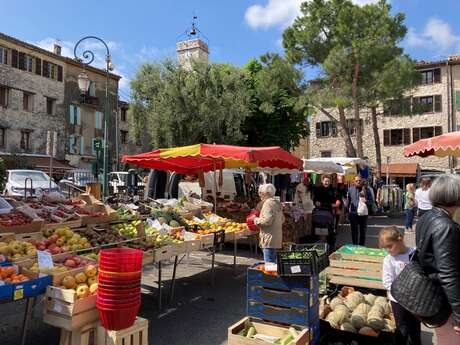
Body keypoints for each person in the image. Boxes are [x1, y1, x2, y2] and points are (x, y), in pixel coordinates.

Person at [415, 174, 460, 343]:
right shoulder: (445, 225)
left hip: (434, 294)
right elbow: (448, 273)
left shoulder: (428, 216)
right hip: (444, 301)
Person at [380, 226, 421, 345]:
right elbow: (387, 281)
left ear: (400, 239)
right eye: (385, 248)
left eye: (390, 246)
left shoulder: (414, 253)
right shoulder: (389, 260)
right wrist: (401, 292)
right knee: (401, 328)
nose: (388, 250)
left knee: (414, 327)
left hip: (414, 300)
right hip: (397, 301)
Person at [253, 184, 284, 264]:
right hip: (276, 238)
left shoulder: (268, 203)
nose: (260, 195)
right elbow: (282, 219)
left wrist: (255, 220)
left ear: (265, 193)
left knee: (270, 265)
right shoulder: (276, 203)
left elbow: (267, 221)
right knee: (274, 264)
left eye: (260, 193)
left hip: (269, 239)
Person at [312, 175, 338, 250]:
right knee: (318, 230)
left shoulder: (333, 190)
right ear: (322, 181)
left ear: (330, 182)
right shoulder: (318, 189)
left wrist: (334, 204)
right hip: (319, 213)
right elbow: (315, 201)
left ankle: (329, 247)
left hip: (329, 213)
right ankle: (319, 246)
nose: (326, 182)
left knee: (329, 231)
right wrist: (317, 203)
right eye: (325, 181)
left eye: (328, 181)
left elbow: (335, 201)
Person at [347, 175, 374, 246]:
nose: (358, 182)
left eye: (359, 180)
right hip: (353, 213)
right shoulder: (350, 189)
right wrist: (347, 212)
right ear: (354, 181)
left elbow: (371, 201)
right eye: (357, 181)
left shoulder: (366, 189)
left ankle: (361, 246)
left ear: (362, 181)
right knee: (354, 231)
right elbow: (348, 201)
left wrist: (366, 201)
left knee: (363, 231)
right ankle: (355, 245)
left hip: (363, 214)